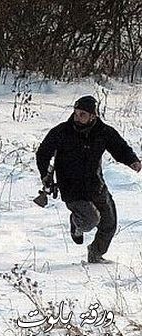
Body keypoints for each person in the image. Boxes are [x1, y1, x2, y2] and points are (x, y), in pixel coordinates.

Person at [36, 95, 141, 263]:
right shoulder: (62, 132)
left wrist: (132, 160)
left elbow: (119, 147)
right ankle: (76, 223)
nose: (78, 117)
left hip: (95, 186)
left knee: (109, 223)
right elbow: (43, 153)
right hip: (71, 189)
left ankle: (95, 254)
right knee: (91, 219)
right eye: (76, 113)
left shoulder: (103, 132)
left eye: (82, 114)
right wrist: (45, 175)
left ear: (93, 115)